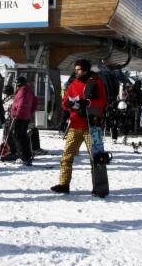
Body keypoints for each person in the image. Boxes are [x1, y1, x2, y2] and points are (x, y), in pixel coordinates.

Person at [51, 59, 107, 193]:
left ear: (86, 70)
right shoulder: (73, 84)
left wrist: (87, 103)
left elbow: (103, 100)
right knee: (67, 156)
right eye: (75, 70)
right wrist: (68, 105)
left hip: (91, 127)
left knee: (96, 157)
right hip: (75, 125)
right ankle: (64, 184)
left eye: (79, 69)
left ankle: (99, 187)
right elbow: (64, 101)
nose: (76, 72)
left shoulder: (95, 82)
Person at [10, 76, 38, 166]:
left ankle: (23, 157)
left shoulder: (22, 91)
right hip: (26, 117)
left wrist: (16, 114)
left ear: (19, 83)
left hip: (20, 117)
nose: (15, 86)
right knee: (23, 136)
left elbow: (21, 104)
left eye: (16, 84)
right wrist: (30, 112)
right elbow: (35, 102)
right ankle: (27, 156)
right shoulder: (29, 90)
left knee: (18, 136)